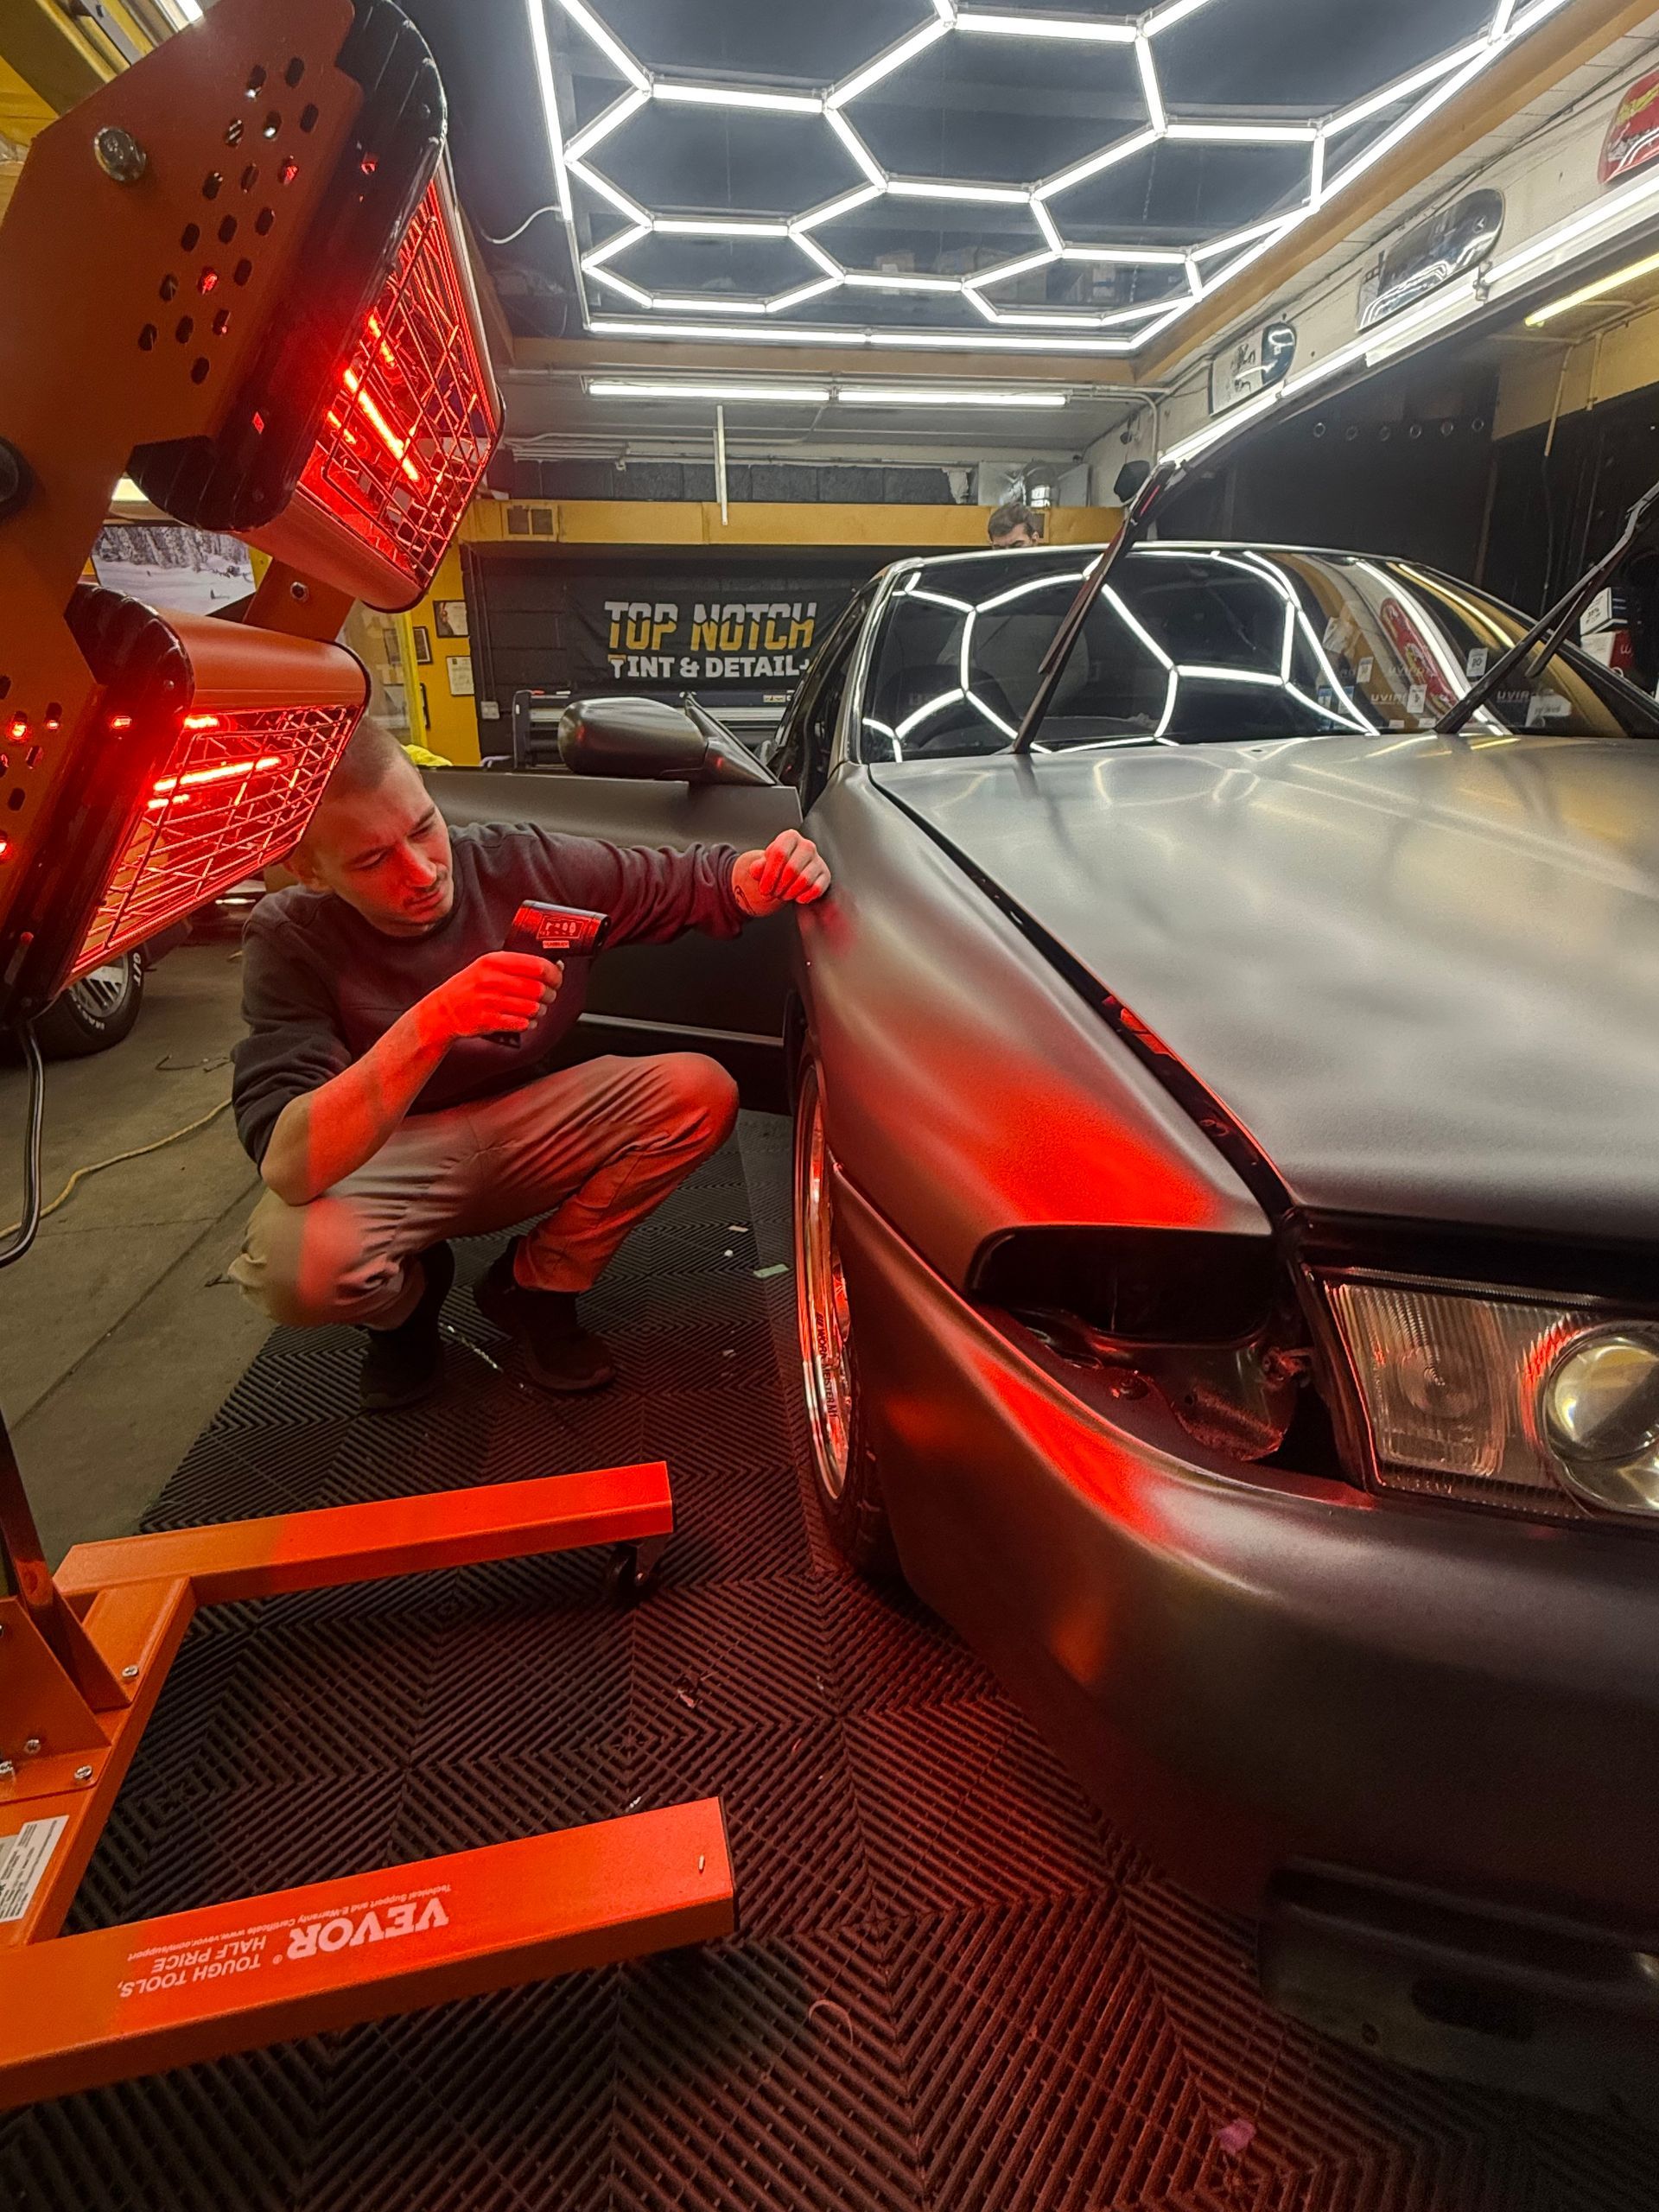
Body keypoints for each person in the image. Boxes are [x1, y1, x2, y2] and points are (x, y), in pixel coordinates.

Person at [228, 717, 830, 1410]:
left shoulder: (521, 864)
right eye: (372, 861)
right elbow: (288, 1164)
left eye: (424, 827)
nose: (422, 872)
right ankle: (406, 1313)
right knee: (293, 1268)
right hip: (390, 1152)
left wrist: (757, 875)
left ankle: (535, 1287)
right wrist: (433, 1023)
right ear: (309, 871)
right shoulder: (288, 939)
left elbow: (674, 881)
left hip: (523, 1122)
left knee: (699, 1090)